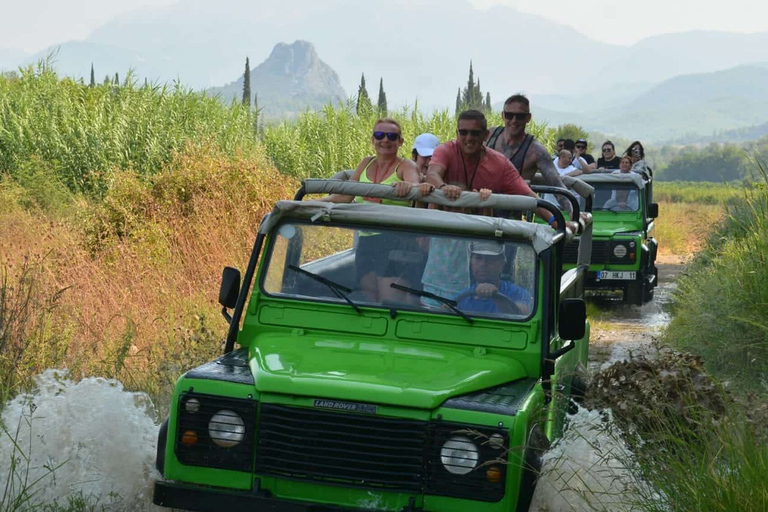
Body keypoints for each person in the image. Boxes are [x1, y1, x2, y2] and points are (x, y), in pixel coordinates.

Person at [422, 110, 564, 302]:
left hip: (480, 250)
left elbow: (527, 196)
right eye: (463, 133)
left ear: (485, 135)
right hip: (444, 252)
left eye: (475, 133)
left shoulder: (499, 163)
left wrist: (556, 221)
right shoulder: (446, 150)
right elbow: (433, 174)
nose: (468, 138)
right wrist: (444, 188)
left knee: (484, 299)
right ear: (457, 133)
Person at [322, 118, 433, 302]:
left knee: (389, 301)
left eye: (392, 136)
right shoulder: (366, 163)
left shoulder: (406, 166)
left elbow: (415, 186)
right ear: (372, 140)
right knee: (368, 296)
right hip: (366, 240)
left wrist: (406, 185)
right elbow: (345, 195)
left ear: (400, 142)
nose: (385, 140)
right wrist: (314, 202)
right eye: (380, 135)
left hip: (394, 240)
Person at [485, 94, 572, 213]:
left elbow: (557, 184)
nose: (514, 120)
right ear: (503, 115)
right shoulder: (488, 135)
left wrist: (574, 213)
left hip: (511, 218)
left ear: (528, 118)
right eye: (509, 115)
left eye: (520, 116)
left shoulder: (536, 151)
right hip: (480, 209)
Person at [455, 240, 533, 315]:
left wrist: (498, 298)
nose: (483, 264)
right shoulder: (462, 298)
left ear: (502, 264)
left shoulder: (518, 293)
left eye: (490, 259)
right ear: (471, 262)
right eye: (478, 258)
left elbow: (523, 314)